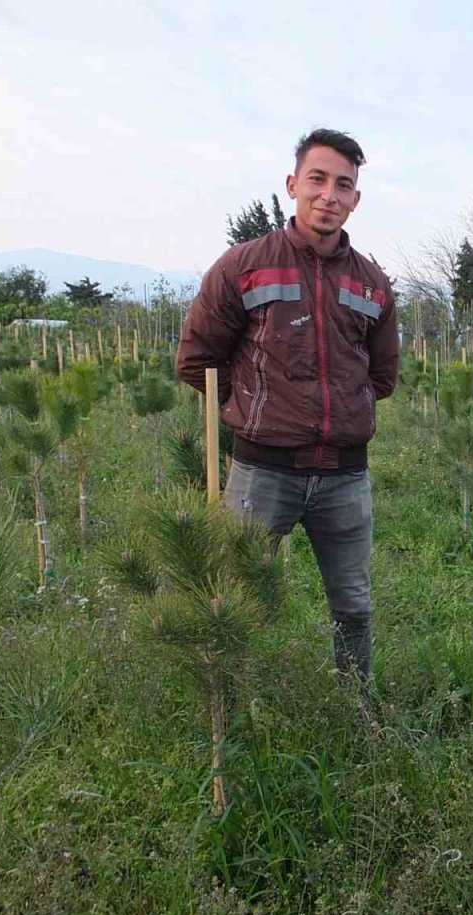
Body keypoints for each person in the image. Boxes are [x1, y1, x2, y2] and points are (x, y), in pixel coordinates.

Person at [176, 128, 398, 684]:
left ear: (356, 199)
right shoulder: (243, 267)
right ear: (293, 184)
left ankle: (357, 709)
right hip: (261, 473)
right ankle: (236, 705)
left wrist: (344, 411)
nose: (329, 195)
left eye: (343, 185)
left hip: (345, 477)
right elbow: (196, 361)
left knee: (353, 607)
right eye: (318, 180)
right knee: (241, 602)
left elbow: (383, 375)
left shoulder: (372, 284)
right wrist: (255, 409)